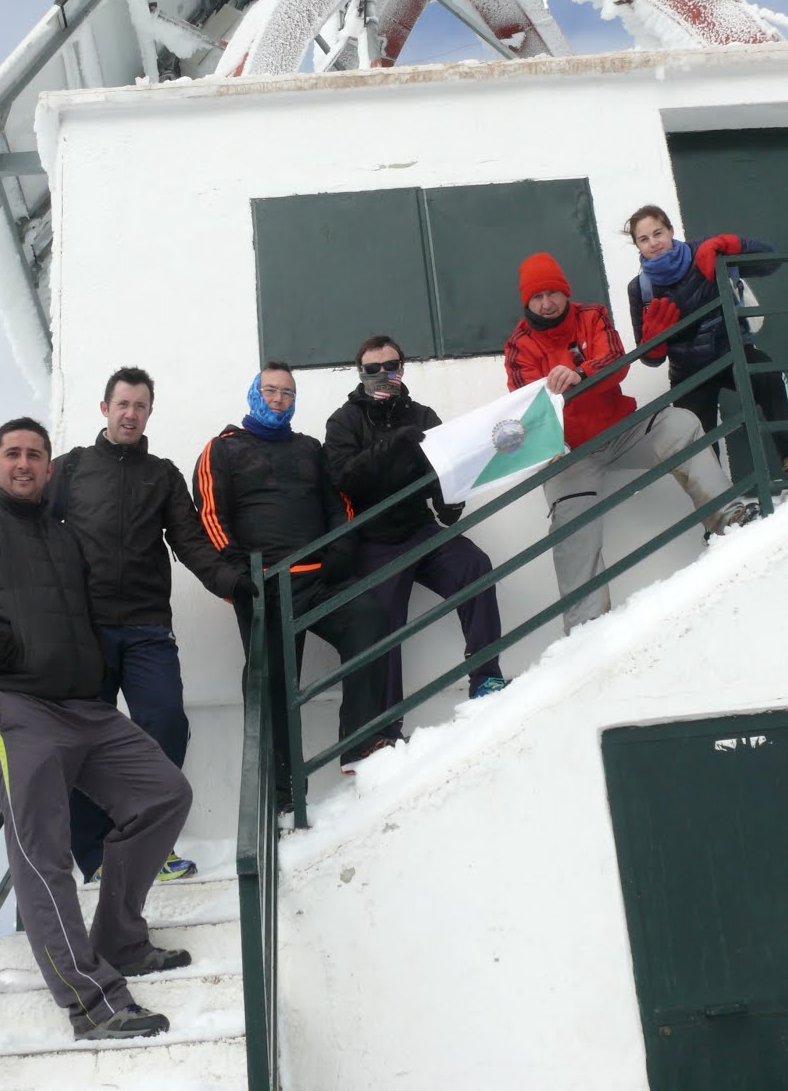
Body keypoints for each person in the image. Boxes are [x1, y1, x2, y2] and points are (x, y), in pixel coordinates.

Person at [0, 418, 192, 1042]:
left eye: (35, 455)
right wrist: (3, 651)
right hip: (13, 707)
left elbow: (82, 615)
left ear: (49, 468)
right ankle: (92, 1001)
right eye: (12, 454)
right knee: (43, 851)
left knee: (164, 794)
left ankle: (119, 939)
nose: (24, 463)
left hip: (83, 706)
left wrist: (93, 666)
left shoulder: (65, 539)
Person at [51, 366, 252, 885]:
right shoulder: (70, 470)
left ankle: (146, 842)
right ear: (104, 408)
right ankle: (96, 855)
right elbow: (23, 526)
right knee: (78, 741)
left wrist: (232, 582)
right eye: (122, 404)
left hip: (145, 629)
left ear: (149, 413)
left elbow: (189, 541)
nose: (130, 413)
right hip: (84, 631)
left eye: (140, 406)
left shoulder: (161, 474)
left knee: (165, 724)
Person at [505, 253, 756, 634]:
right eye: (538, 297)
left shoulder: (592, 315)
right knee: (570, 524)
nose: (547, 303)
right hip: (570, 452)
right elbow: (527, 401)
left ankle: (728, 517)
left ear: (565, 292)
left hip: (623, 430)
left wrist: (579, 373)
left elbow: (616, 363)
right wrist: (548, 438)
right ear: (527, 302)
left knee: (681, 422)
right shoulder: (519, 344)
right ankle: (584, 628)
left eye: (554, 293)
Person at [192, 363, 391, 805]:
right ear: (253, 393)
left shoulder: (310, 449)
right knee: (274, 690)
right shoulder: (221, 449)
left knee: (371, 621)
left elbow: (340, 503)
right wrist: (241, 576)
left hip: (319, 579)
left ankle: (359, 741)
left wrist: (341, 548)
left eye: (287, 392)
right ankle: (283, 797)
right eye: (270, 390)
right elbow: (210, 517)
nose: (278, 399)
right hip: (265, 589)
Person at [324, 334, 509, 734]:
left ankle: (486, 677)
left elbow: (447, 470)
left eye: (389, 367)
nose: (381, 376)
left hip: (419, 528)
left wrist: (451, 504)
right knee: (383, 622)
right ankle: (386, 731)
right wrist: (390, 445)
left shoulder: (422, 415)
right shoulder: (344, 420)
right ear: (361, 374)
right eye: (372, 370)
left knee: (474, 566)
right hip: (373, 539)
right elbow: (344, 478)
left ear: (402, 370)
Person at [625, 206, 788, 480]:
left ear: (670, 230)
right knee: (693, 435)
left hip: (731, 350)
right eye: (644, 239)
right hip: (688, 370)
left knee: (769, 378)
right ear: (637, 245)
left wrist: (733, 245)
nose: (653, 243)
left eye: (658, 233)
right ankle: (725, 510)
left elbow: (771, 261)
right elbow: (650, 359)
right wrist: (654, 341)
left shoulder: (705, 251)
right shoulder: (640, 289)